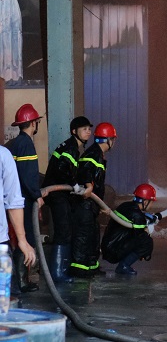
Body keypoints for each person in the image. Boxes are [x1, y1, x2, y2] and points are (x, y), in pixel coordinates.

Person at [42, 116, 93, 283]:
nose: (88, 132)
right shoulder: (70, 148)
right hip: (57, 194)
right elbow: (62, 169)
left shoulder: (73, 148)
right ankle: (57, 273)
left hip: (62, 195)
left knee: (66, 229)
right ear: (74, 131)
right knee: (63, 231)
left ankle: (62, 270)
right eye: (84, 129)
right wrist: (74, 185)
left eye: (89, 129)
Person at [5, 103, 44, 293]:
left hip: (12, 198)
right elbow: (28, 175)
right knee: (26, 238)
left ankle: (15, 281)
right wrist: (37, 195)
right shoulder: (27, 144)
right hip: (23, 200)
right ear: (33, 123)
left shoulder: (13, 144)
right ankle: (21, 281)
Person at [71, 121, 116, 277]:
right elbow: (85, 171)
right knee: (83, 236)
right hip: (84, 205)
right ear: (107, 140)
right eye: (113, 139)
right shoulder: (93, 154)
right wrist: (89, 185)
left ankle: (91, 266)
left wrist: (100, 205)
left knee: (93, 235)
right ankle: (79, 269)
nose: (114, 142)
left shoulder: (98, 154)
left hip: (92, 205)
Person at [101, 183, 160, 275]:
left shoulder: (125, 205)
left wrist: (147, 218)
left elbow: (132, 219)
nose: (152, 205)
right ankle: (123, 266)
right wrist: (148, 229)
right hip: (114, 252)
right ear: (145, 202)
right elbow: (141, 235)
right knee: (147, 241)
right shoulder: (138, 216)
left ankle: (123, 265)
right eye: (151, 202)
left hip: (108, 247)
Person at [0, 146, 37, 273]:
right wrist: (22, 240)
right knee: (4, 285)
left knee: (4, 284)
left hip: (1, 244)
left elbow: (13, 201)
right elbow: (13, 200)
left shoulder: (3, 155)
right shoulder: (3, 154)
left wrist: (22, 240)